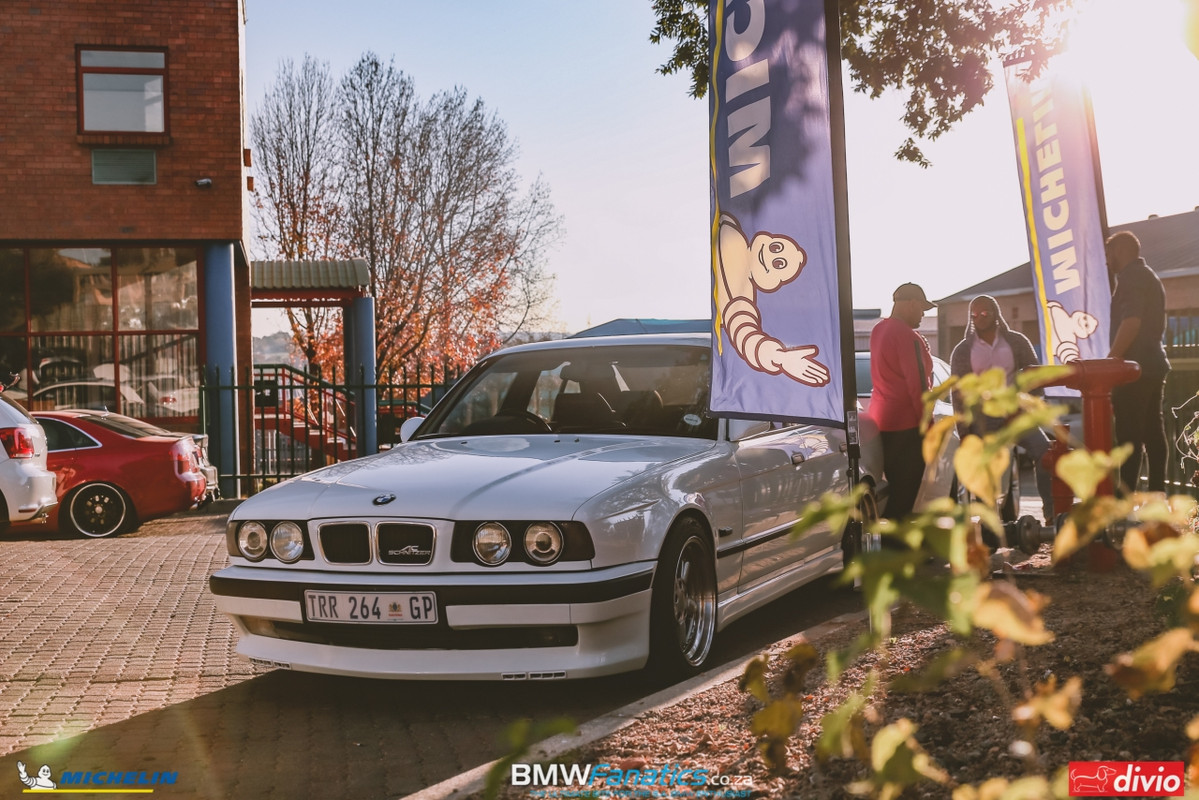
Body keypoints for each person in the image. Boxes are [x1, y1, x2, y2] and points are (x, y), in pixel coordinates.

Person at [949, 295, 1055, 525]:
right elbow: (958, 394)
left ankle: (1051, 513)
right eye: (974, 315)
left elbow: (1033, 376)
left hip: (1016, 414)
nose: (979, 318)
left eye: (984, 313)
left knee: (1046, 452)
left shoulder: (1016, 341)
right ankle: (990, 526)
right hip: (983, 420)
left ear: (995, 313)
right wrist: (965, 431)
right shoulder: (963, 350)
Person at [1105, 230, 1170, 494]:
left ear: (1120, 250)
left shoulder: (1131, 278)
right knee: (1153, 431)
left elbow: (1131, 322)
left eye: (1108, 254)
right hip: (1153, 364)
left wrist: (1111, 360)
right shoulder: (1148, 276)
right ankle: (1156, 494)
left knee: (1129, 435)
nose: (1106, 260)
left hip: (1134, 369)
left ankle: (1125, 500)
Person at [869, 283, 935, 521]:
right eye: (922, 308)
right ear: (911, 304)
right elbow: (918, 387)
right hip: (906, 425)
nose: (923, 314)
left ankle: (891, 546)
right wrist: (928, 425)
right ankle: (895, 549)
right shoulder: (908, 336)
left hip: (882, 421)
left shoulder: (879, 329)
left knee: (893, 490)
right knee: (906, 494)